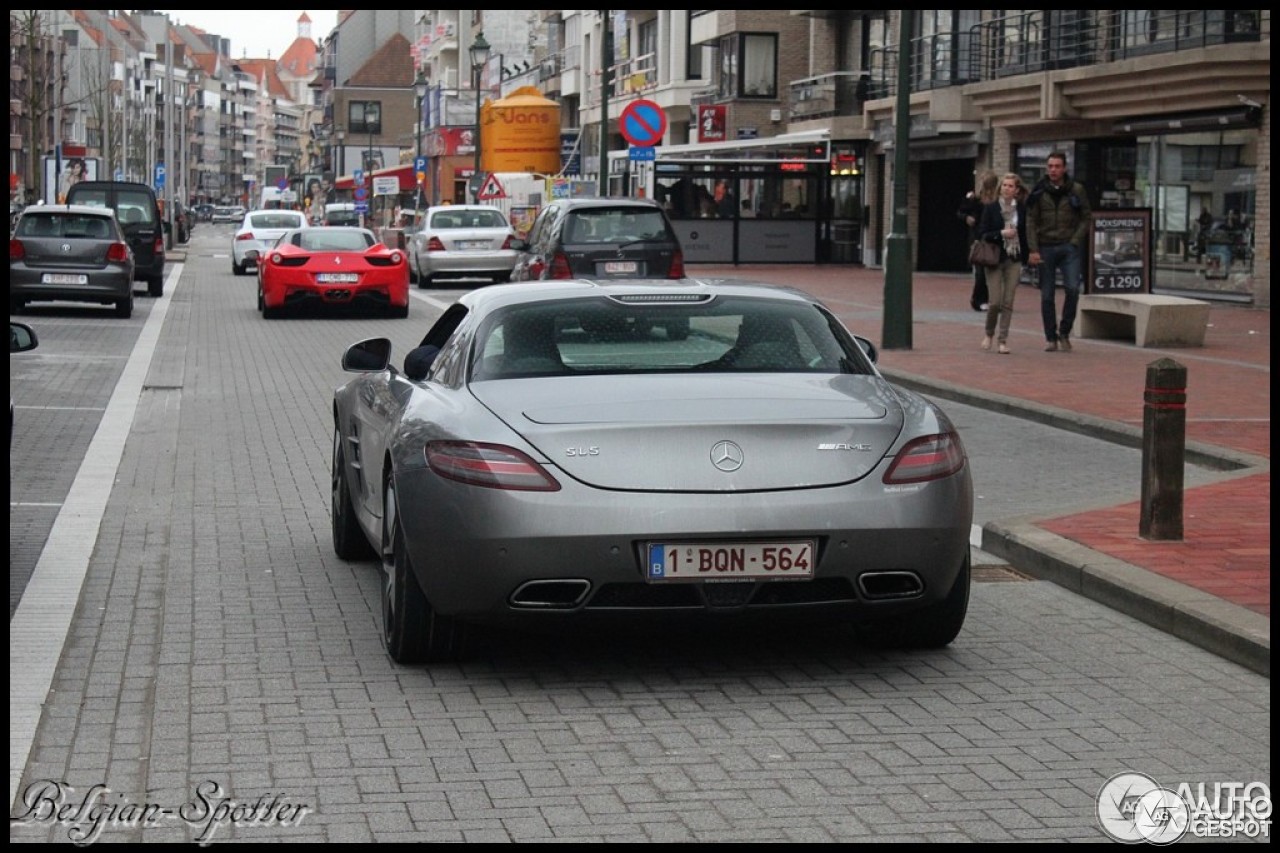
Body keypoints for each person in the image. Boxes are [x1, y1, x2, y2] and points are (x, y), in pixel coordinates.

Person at [1026, 150, 1091, 352]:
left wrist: (1075, 240)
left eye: (1057, 166)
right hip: (1045, 247)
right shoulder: (1038, 190)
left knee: (1072, 289)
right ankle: (1050, 337)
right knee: (1047, 295)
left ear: (1064, 168)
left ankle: (1064, 331)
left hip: (1068, 247)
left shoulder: (1076, 190)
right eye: (1050, 166)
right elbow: (1030, 220)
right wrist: (1033, 249)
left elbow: (1086, 217)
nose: (1053, 170)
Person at [976, 173, 1028, 355]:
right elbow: (983, 233)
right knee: (995, 302)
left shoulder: (1021, 210)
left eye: (1011, 186)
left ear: (1017, 190)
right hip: (994, 257)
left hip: (1014, 258)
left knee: (1008, 302)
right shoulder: (991, 208)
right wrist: (1001, 233)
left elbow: (1026, 234)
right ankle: (989, 333)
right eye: (1004, 185)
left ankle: (1002, 340)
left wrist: (1030, 256)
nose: (1007, 188)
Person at [958, 170, 998, 312]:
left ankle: (992, 299)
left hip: (994, 238)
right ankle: (978, 300)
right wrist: (967, 218)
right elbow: (961, 212)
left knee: (993, 271)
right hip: (979, 239)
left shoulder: (997, 200)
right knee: (981, 272)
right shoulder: (975, 199)